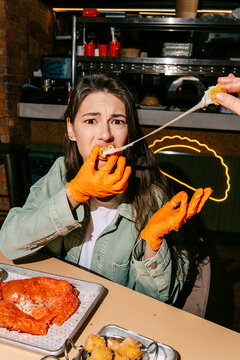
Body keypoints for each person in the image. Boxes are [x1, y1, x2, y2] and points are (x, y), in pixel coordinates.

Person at [0, 73, 212, 306]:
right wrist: (73, 195)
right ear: (71, 129)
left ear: (128, 132)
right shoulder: (60, 174)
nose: (105, 135)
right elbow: (9, 244)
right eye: (91, 121)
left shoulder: (153, 197)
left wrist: (152, 243)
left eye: (117, 121)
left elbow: (158, 303)